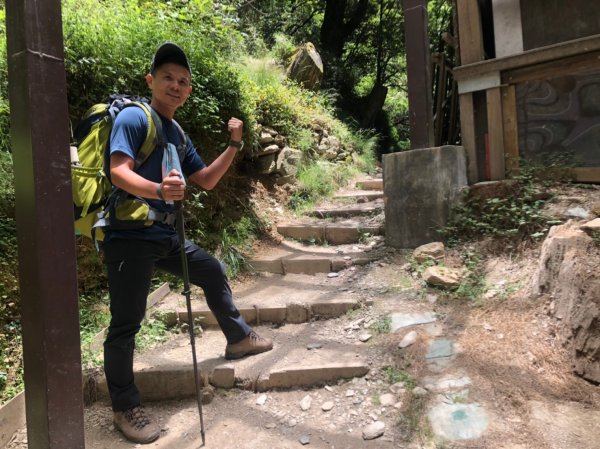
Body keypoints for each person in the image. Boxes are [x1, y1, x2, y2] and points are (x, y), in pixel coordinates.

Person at [102, 42, 273, 444]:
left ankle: (238, 338)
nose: (175, 86)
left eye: (183, 81)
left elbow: (207, 180)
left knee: (212, 269)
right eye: (168, 78)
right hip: (128, 236)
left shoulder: (177, 132)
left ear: (189, 89)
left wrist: (233, 145)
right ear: (151, 80)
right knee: (126, 323)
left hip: (164, 235)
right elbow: (117, 172)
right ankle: (125, 408)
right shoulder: (132, 117)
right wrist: (160, 191)